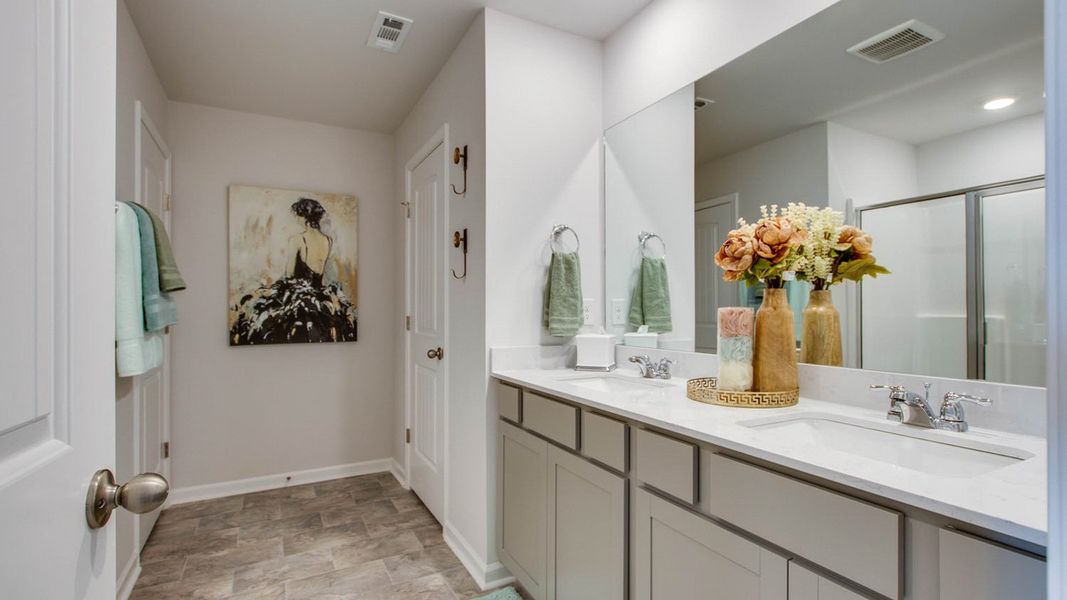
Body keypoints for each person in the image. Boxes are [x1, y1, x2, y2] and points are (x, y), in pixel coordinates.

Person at [230, 198, 358, 345]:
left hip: (298, 297)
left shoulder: (297, 240)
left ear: (304, 217)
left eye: (297, 215)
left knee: (256, 317)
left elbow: (290, 274)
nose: (296, 219)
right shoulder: (328, 240)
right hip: (320, 295)